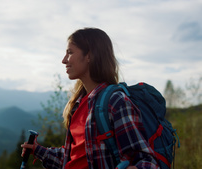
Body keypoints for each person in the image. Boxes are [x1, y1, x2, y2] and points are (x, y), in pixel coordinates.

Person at [21, 28, 159, 169]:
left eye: (70, 52)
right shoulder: (78, 104)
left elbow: (147, 162)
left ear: (89, 55)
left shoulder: (115, 102)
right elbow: (76, 159)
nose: (64, 60)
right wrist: (38, 150)